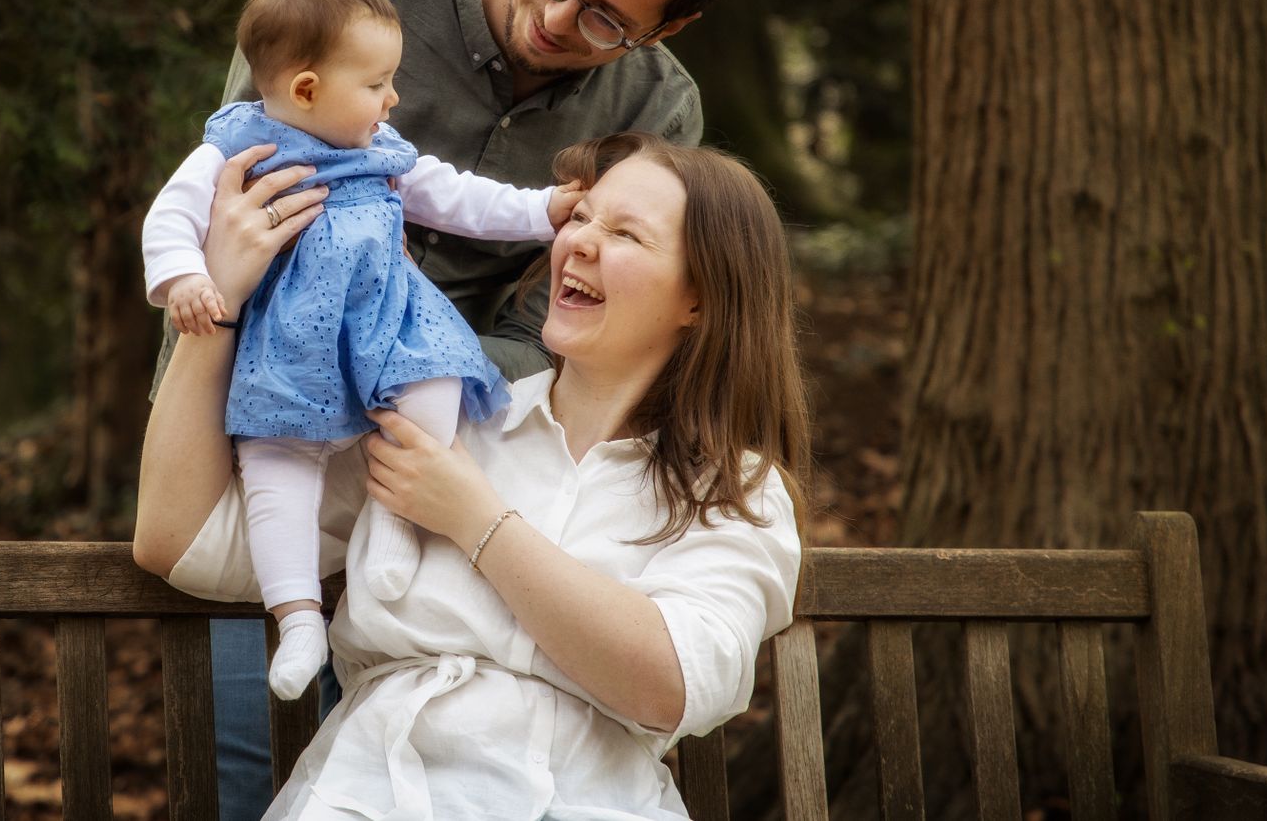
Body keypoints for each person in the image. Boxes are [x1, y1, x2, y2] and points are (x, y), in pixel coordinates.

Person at [151, 0, 757, 817]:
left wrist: (414, 402)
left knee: (410, 710)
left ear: (668, 29)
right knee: (254, 759)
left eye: (609, 18)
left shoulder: (656, 109)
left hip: (460, 446)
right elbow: (235, 224)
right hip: (269, 424)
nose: (561, 19)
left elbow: (562, 322)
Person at [134, 131, 810, 819]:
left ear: (699, 297)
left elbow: (670, 682)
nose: (579, 242)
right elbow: (181, 541)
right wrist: (214, 305)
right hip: (373, 797)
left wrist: (476, 520)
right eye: (579, 217)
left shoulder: (733, 491)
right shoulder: (444, 413)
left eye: (627, 234)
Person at [142, 0, 583, 700]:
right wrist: (187, 277)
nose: (393, 97)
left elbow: (456, 196)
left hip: (386, 330)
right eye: (376, 84)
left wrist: (542, 211)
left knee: (436, 382)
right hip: (289, 348)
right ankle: (298, 614)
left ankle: (398, 531)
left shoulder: (379, 152)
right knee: (277, 467)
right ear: (307, 89)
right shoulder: (237, 147)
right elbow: (172, 215)